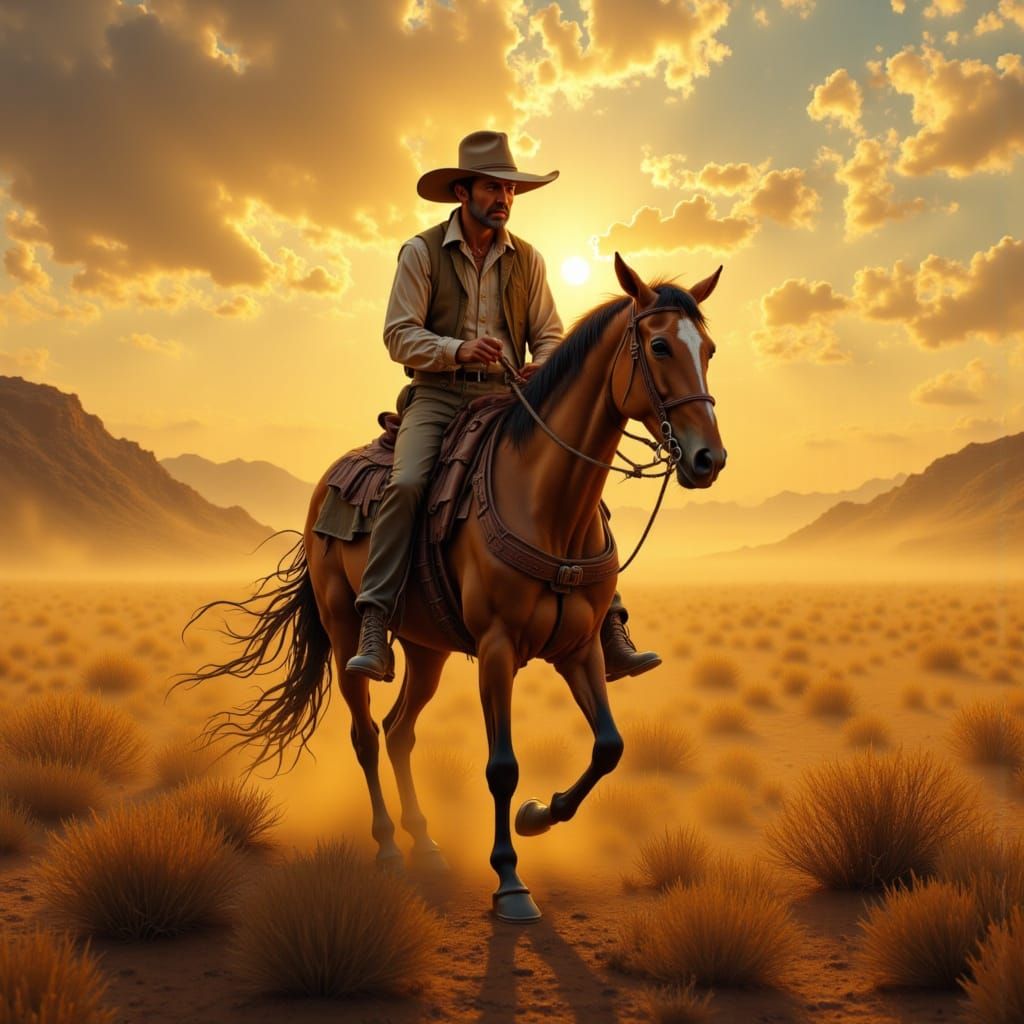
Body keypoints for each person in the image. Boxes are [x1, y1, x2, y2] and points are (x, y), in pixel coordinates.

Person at [347, 130, 660, 683]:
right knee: (409, 482)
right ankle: (374, 619)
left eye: (510, 190)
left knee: (577, 481)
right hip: (440, 394)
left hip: (512, 396)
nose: (504, 200)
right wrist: (456, 349)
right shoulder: (421, 253)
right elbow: (398, 334)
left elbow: (550, 333)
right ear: (463, 192)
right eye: (493, 188)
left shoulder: (529, 260)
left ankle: (608, 624)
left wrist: (546, 363)